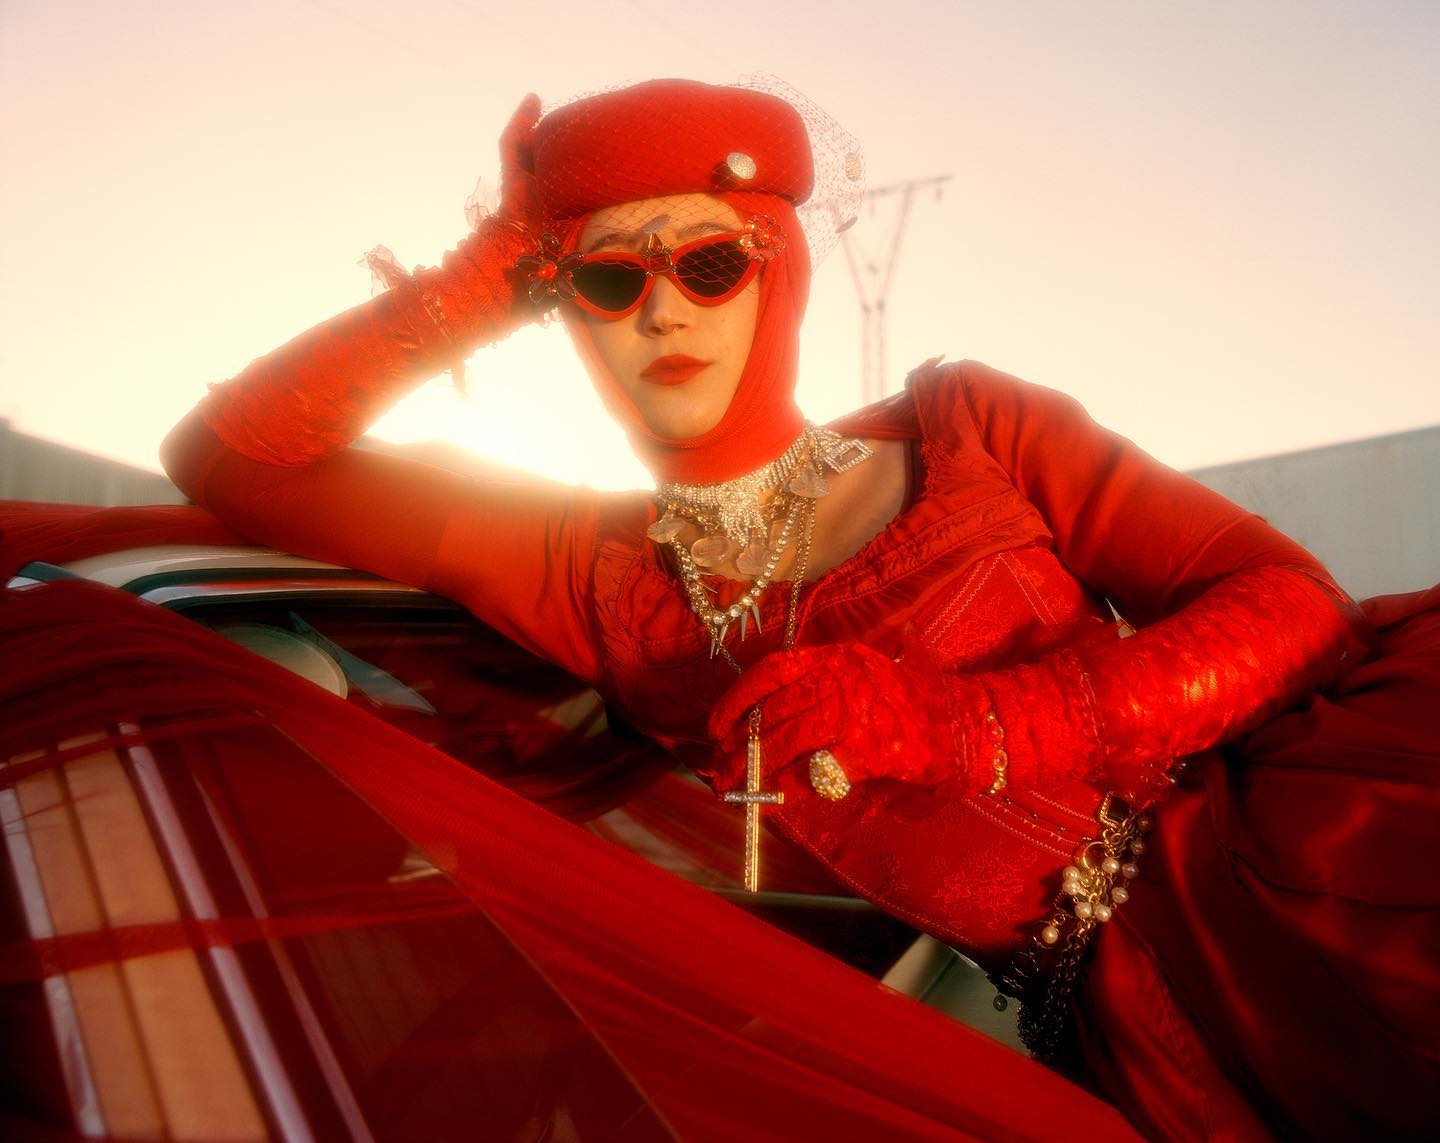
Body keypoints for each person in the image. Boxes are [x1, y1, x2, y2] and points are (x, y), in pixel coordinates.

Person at [160, 79, 1439, 1140]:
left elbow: (1294, 605)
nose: (663, 307)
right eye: (607, 281)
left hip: (1317, 885)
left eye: (709, 261)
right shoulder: (589, 571)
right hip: (1123, 1043)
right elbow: (234, 457)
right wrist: (486, 271)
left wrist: (964, 728)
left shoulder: (964, 426)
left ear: (780, 273)